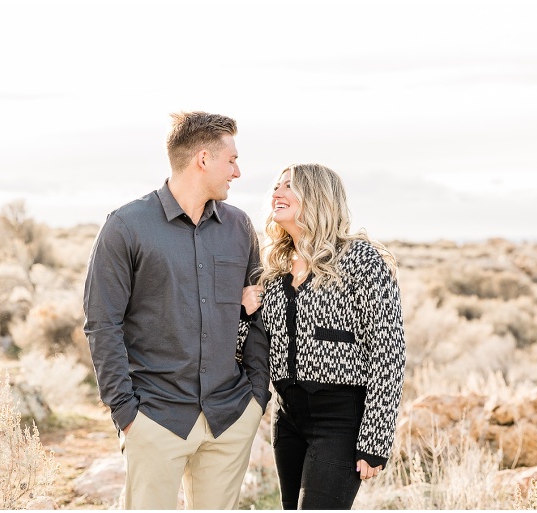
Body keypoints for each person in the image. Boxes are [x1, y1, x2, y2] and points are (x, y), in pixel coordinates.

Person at [83, 111, 271, 510]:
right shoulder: (126, 227)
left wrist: (257, 396)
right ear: (203, 159)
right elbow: (102, 324)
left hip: (230, 416)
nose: (237, 171)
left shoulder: (240, 228)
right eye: (231, 160)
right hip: (155, 418)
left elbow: (257, 317)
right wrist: (127, 414)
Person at [240, 163, 406, 509]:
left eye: (290, 186)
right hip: (287, 419)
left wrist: (375, 440)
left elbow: (388, 354)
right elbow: (246, 347)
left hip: (340, 421)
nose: (277, 192)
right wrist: (243, 313)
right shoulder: (275, 265)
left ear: (316, 197)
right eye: (276, 185)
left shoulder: (361, 260)